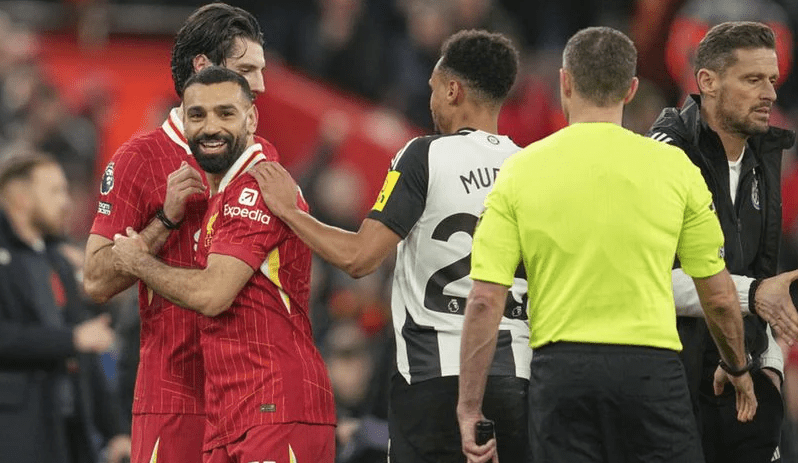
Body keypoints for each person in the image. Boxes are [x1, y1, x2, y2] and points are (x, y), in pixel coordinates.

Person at [457, 26, 757, 463]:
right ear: (631, 89)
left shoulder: (520, 171)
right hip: (651, 374)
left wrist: (469, 407)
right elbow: (719, 296)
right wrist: (737, 365)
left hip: (561, 375)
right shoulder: (675, 168)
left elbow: (485, 300)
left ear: (565, 82)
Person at [250, 29, 531, 461]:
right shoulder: (529, 167)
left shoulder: (424, 156)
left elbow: (359, 258)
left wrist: (290, 212)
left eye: (434, 88)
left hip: (433, 379)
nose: (431, 101)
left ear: (453, 91)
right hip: (518, 378)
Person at [82, 4, 280, 463]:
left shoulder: (262, 155)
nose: (261, 86)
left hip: (252, 393)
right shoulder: (140, 157)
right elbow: (94, 280)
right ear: (203, 67)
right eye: (247, 70)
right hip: (174, 396)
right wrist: (164, 222)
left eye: (261, 70)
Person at [111, 67, 336, 463]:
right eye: (197, 115)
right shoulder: (223, 193)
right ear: (183, 123)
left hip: (274, 407)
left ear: (251, 118)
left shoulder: (256, 188)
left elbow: (213, 295)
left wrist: (139, 261)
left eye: (225, 113)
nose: (210, 127)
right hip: (232, 413)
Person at [648, 21, 798, 463]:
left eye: (772, 79)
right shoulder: (664, 156)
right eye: (752, 79)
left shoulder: (763, 155)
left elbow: (764, 275)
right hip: (672, 384)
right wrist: (752, 296)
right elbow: (651, 276)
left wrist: (769, 367)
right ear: (707, 82)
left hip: (744, 384)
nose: (769, 93)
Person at [0, 154, 129, 463]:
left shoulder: (57, 260)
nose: (66, 202)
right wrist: (70, 339)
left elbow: (88, 349)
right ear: (21, 198)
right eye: (55, 191)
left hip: (66, 430)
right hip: (15, 436)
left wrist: (115, 431)